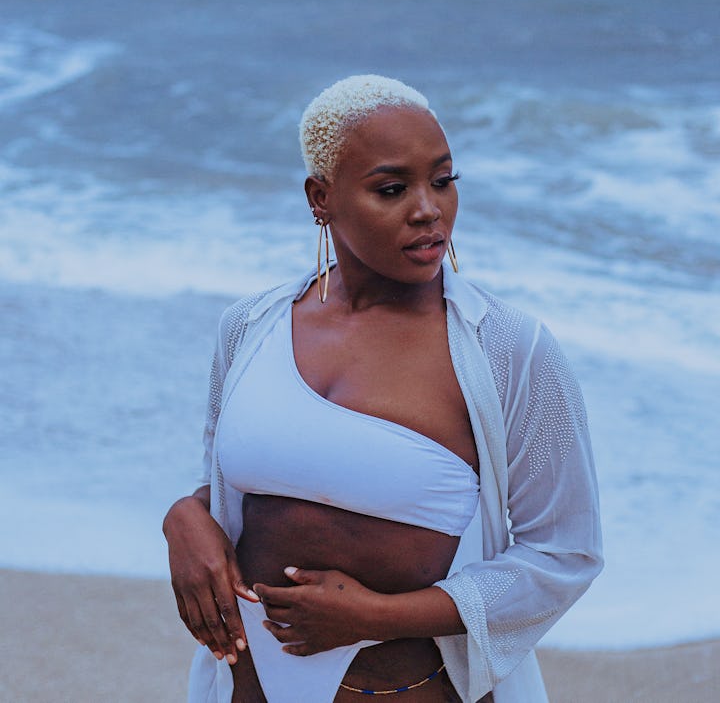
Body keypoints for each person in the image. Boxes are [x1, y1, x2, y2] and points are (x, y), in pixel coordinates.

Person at [163, 75, 603, 703]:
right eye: (392, 189)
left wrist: (377, 617)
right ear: (322, 197)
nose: (427, 209)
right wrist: (183, 518)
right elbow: (229, 485)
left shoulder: (506, 349)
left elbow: (565, 554)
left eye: (443, 181)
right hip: (247, 686)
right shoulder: (250, 327)